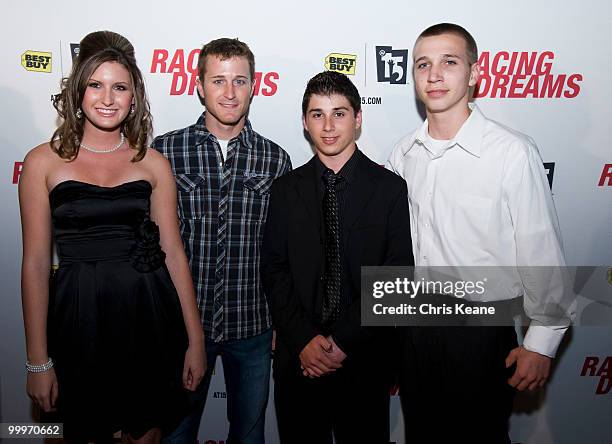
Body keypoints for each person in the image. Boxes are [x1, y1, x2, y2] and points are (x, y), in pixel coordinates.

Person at [18, 31, 206, 443]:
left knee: (146, 434)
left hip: (148, 316)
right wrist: (37, 360)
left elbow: (173, 252)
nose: (107, 97)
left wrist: (195, 340)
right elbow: (34, 263)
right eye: (95, 85)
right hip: (76, 320)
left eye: (119, 87)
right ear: (78, 92)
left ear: (134, 96)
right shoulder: (41, 162)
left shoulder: (153, 163)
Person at [387, 23, 569, 443]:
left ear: (473, 73)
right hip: (414, 332)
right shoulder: (402, 154)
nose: (434, 75)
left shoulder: (511, 152)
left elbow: (539, 249)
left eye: (449, 62)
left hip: (482, 333)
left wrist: (542, 341)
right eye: (423, 65)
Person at [262, 71, 413, 444]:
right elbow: (274, 270)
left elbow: (396, 276)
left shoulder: (390, 189)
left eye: (339, 113)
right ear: (304, 122)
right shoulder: (283, 190)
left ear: (358, 119)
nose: (328, 126)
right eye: (317, 114)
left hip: (364, 359)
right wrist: (305, 339)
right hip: (300, 361)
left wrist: (342, 342)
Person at [153, 38, 291, 444]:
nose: (229, 93)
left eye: (239, 81)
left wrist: (282, 319)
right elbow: (150, 247)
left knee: (249, 436)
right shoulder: (165, 151)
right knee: (176, 433)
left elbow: (281, 251)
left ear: (254, 85)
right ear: (199, 86)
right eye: (218, 80)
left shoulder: (275, 159)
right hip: (182, 326)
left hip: (253, 325)